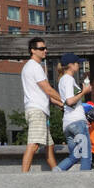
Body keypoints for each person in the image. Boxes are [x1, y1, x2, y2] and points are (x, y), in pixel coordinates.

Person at [20, 37, 63, 172]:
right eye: (41, 48)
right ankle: (22, 177)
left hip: (40, 111)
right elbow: (48, 89)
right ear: (33, 50)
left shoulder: (30, 67)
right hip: (37, 111)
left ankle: (56, 172)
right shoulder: (34, 66)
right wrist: (66, 100)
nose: (45, 51)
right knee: (33, 145)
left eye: (45, 48)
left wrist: (62, 104)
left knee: (49, 146)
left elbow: (45, 95)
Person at [56, 53, 93, 172]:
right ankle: (85, 184)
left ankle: (55, 174)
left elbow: (65, 103)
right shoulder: (68, 79)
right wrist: (84, 92)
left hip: (68, 124)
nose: (79, 65)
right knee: (86, 156)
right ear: (71, 65)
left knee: (75, 156)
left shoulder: (62, 80)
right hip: (77, 123)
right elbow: (70, 101)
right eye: (77, 63)